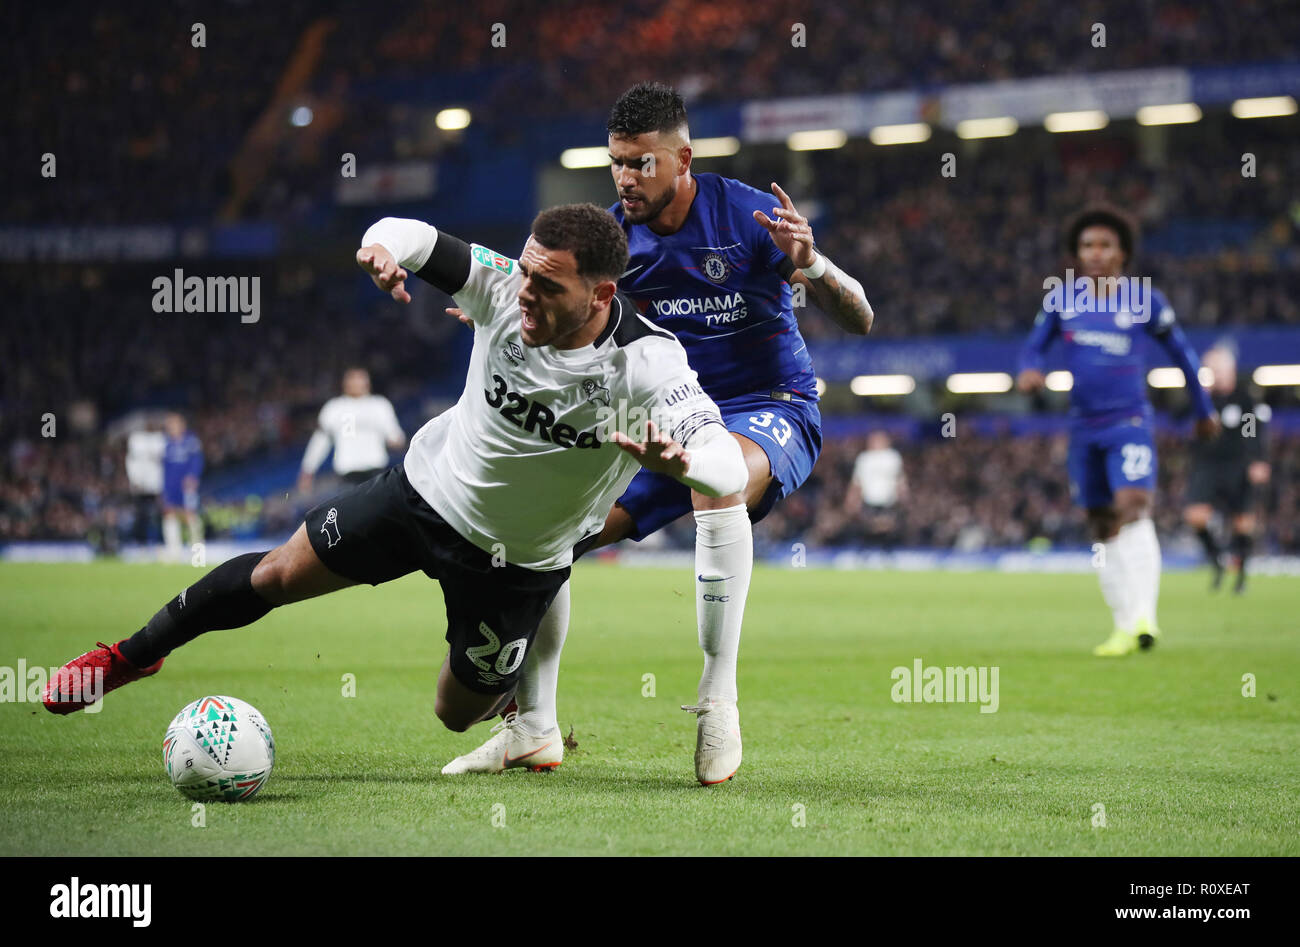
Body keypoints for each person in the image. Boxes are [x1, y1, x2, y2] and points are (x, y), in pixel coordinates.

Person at [43, 204, 748, 732]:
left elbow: (721, 459)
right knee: (274, 574)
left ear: (600, 296)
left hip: (516, 562)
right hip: (422, 493)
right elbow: (413, 233)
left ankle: (516, 683)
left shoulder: (649, 362)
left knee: (453, 712)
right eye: (527, 273)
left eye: (549, 287)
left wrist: (686, 464)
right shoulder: (503, 288)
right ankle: (129, 657)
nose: (526, 294)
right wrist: (382, 248)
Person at [442, 82, 873, 784]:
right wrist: (506, 315)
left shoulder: (749, 215)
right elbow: (558, 314)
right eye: (616, 162)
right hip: (661, 418)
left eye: (641, 163)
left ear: (684, 160)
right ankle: (534, 727)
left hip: (768, 405)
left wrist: (812, 264)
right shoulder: (611, 244)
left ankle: (717, 698)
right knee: (544, 540)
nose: (625, 177)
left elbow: (861, 318)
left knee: (716, 481)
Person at [1017, 205, 1217, 657]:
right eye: (1087, 245)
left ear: (1123, 253)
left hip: (1129, 421)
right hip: (1083, 428)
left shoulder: (1145, 300)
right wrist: (1030, 372)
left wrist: (1203, 409)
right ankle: (1124, 626)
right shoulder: (1060, 300)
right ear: (1077, 253)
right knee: (1101, 524)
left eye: (1105, 244)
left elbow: (1184, 357)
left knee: (1134, 505)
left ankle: (1146, 617)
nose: (1096, 253)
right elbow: (1032, 349)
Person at [1183, 345, 1271, 593]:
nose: (1213, 373)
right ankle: (1217, 560)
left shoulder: (1244, 398)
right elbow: (1179, 415)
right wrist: (1198, 395)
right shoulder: (1203, 397)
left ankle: (1241, 576)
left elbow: (1252, 431)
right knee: (1196, 516)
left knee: (1242, 522)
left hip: (1237, 465)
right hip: (1207, 464)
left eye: (1217, 368)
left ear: (1229, 369)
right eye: (1209, 368)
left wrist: (1256, 460)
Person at [298, 367, 406, 493]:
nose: (357, 383)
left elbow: (394, 433)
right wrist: (308, 469)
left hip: (375, 469)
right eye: (353, 379)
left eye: (360, 379)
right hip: (347, 472)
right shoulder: (334, 408)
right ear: (345, 383)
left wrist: (397, 441)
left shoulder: (379, 405)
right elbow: (320, 441)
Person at [847, 431, 907, 548]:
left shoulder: (893, 457)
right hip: (869, 498)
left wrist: (903, 493)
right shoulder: (864, 458)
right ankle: (869, 551)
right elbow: (857, 481)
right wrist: (852, 499)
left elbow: (900, 478)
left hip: (888, 499)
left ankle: (886, 551)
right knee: (869, 526)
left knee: (888, 525)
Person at [160, 413, 204, 563]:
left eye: (173, 424)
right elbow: (165, 469)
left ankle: (198, 555)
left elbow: (197, 460)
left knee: (190, 515)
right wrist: (164, 489)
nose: (170, 428)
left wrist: (193, 476)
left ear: (181, 424)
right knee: (170, 515)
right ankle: (174, 553)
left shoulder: (191, 441)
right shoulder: (167, 444)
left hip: (187, 486)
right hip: (171, 487)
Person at [125, 422, 166, 547]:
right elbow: (131, 462)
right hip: (141, 486)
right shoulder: (137, 441)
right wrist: (134, 480)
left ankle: (161, 542)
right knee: (141, 515)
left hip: (157, 486)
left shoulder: (160, 440)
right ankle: (140, 542)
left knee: (160, 515)